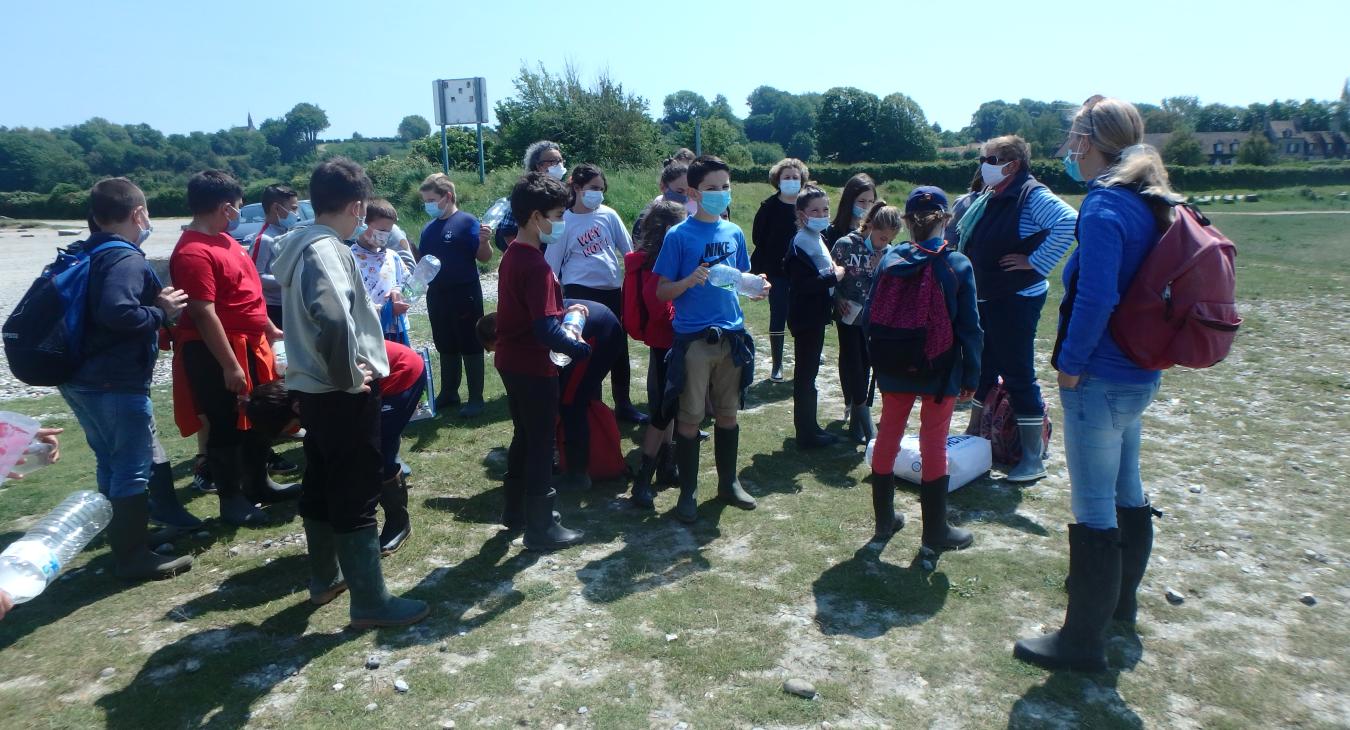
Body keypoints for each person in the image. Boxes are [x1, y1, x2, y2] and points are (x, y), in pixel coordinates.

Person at [1014, 96, 1179, 673]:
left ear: (1087, 141)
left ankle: (1081, 641)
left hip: (1101, 375)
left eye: (1072, 138)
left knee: (1093, 506)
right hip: (1139, 370)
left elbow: (1097, 294)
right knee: (1127, 489)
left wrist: (1071, 362)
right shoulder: (1147, 198)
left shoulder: (1107, 203)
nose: (1067, 148)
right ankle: (1119, 604)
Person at [272, 157, 428, 628]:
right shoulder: (327, 251)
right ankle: (370, 602)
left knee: (321, 481)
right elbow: (335, 317)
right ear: (357, 205)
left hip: (311, 390)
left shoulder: (298, 244)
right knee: (355, 490)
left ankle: (325, 579)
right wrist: (346, 376)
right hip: (338, 392)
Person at [59, 178, 194, 580]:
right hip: (113, 381)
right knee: (132, 466)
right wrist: (162, 311)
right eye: (147, 213)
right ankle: (133, 556)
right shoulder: (126, 259)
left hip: (80, 377)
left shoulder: (87, 250)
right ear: (138, 214)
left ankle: (127, 539)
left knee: (111, 461)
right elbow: (119, 312)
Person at [170, 170, 296, 528]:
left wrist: (269, 328)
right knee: (226, 424)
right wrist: (229, 365)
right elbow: (202, 311)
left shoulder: (226, 242)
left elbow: (249, 293)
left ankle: (259, 484)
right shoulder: (193, 251)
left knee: (259, 415)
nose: (239, 213)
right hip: (218, 352)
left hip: (252, 343)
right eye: (239, 207)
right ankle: (232, 500)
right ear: (226, 208)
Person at [654, 155, 769, 523]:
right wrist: (689, 280)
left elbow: (741, 279)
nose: (720, 194)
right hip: (694, 341)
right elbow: (661, 292)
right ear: (693, 192)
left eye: (724, 187)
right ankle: (687, 493)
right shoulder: (678, 236)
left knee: (728, 414)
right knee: (689, 419)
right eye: (711, 188)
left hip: (731, 336)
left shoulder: (733, 232)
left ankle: (728, 483)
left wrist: (757, 288)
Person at [955, 135, 1078, 482]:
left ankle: (1032, 457)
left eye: (989, 159)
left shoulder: (1030, 194)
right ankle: (977, 435)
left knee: (1018, 373)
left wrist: (1034, 261)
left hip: (1016, 298)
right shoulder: (993, 194)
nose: (983, 165)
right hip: (989, 296)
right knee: (985, 367)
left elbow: (1069, 223)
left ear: (1011, 165)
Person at [865, 187, 981, 548]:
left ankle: (884, 521)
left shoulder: (890, 259)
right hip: (940, 366)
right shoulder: (957, 264)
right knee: (935, 443)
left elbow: (871, 314)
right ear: (946, 220)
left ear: (905, 223)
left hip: (895, 363)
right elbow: (970, 328)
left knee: (889, 434)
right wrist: (972, 374)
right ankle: (936, 530)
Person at [493, 172, 591, 551]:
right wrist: (582, 350)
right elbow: (545, 331)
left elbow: (535, 312)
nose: (561, 222)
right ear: (536, 217)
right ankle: (542, 527)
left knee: (525, 435)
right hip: (533, 365)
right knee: (540, 443)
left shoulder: (514, 254)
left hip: (510, 360)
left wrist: (565, 309)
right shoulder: (534, 264)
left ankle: (515, 512)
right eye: (557, 214)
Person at [546, 163, 645, 424]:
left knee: (618, 349)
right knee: (589, 352)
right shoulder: (564, 221)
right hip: (580, 293)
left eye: (601, 189)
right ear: (577, 188)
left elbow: (629, 251)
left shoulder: (609, 215)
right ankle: (593, 406)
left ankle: (623, 404)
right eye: (593, 188)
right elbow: (552, 268)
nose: (598, 194)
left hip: (613, 291)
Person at [624, 200, 686, 508]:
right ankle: (642, 482)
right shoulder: (659, 265)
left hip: (663, 343)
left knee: (669, 407)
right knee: (662, 412)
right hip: (668, 343)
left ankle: (667, 466)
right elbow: (661, 307)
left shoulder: (650, 261)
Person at [419, 174, 491, 417]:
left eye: (431, 199)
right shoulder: (429, 228)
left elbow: (483, 257)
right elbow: (424, 262)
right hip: (437, 295)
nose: (427, 204)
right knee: (445, 342)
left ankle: (476, 398)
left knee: (469, 343)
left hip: (464, 293)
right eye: (425, 200)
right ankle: (449, 392)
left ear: (447, 197)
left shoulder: (466, 222)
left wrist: (484, 242)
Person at [832, 202, 898, 444]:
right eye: (880, 237)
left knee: (867, 365)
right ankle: (866, 424)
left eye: (888, 239)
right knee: (854, 365)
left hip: (874, 320)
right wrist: (838, 299)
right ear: (870, 225)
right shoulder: (845, 245)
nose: (883, 243)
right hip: (848, 316)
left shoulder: (890, 253)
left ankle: (857, 420)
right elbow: (831, 278)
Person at [785, 185, 845, 449]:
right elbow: (803, 284)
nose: (822, 214)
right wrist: (835, 276)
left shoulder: (818, 236)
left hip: (816, 315)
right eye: (815, 210)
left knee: (809, 374)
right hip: (805, 317)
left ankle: (811, 426)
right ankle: (806, 434)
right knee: (806, 375)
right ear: (802, 214)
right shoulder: (800, 241)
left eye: (825, 209)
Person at [751, 158, 808, 383]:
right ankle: (777, 365)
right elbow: (758, 238)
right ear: (778, 180)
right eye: (787, 177)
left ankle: (806, 357)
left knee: (803, 315)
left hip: (803, 272)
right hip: (776, 271)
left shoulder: (807, 206)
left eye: (795, 177)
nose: (792, 180)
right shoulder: (768, 207)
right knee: (778, 315)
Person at [350, 198, 412, 345]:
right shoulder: (350, 258)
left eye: (388, 232)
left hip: (396, 330)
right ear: (362, 224)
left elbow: (409, 285)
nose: (385, 235)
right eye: (381, 230)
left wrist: (400, 292)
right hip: (367, 333)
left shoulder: (393, 257)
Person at [494, 141, 566, 251]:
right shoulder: (527, 192)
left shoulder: (562, 189)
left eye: (560, 160)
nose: (559, 165)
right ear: (538, 166)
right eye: (553, 162)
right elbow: (507, 231)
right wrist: (526, 255)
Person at [247, 184, 300, 328]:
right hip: (273, 309)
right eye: (293, 208)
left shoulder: (286, 233)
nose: (297, 214)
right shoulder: (264, 239)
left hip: (289, 303)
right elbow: (256, 277)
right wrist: (289, 278)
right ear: (276, 208)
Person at [633, 161, 693, 239]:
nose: (685, 196)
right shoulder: (647, 219)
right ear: (663, 187)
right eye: (679, 191)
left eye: (689, 192)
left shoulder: (692, 218)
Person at [823, 173, 878, 250]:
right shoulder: (832, 232)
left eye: (871, 201)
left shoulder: (877, 232)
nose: (867, 206)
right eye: (861, 201)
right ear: (849, 201)